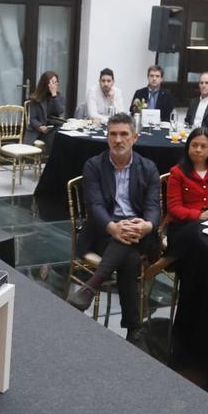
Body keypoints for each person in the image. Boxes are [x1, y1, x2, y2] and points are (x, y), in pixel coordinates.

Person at [66, 113, 160, 340]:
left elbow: (153, 206)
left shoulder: (147, 168)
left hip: (140, 232)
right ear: (107, 138)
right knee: (128, 259)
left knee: (128, 244)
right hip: (105, 231)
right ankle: (133, 328)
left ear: (134, 137)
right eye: (113, 134)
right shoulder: (94, 166)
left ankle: (91, 286)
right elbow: (95, 206)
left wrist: (147, 225)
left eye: (124, 134)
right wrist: (113, 227)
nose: (118, 140)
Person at [25, 70, 66, 146]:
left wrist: (54, 95)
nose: (56, 84)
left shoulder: (59, 97)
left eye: (56, 82)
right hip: (37, 131)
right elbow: (32, 118)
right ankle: (52, 157)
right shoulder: (36, 98)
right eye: (53, 82)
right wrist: (39, 126)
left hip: (53, 129)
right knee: (54, 138)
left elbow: (60, 112)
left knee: (61, 137)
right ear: (46, 84)